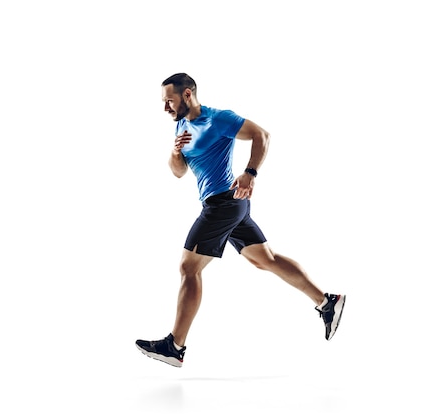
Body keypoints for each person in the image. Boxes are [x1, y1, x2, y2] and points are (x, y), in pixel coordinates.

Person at [135, 73, 345, 367]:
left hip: (223, 203)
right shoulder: (181, 125)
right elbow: (178, 171)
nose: (165, 108)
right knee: (265, 259)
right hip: (229, 205)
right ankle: (327, 302)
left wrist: (250, 172)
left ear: (186, 95)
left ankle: (175, 346)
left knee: (188, 266)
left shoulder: (218, 118)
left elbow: (262, 135)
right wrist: (175, 151)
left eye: (168, 100)